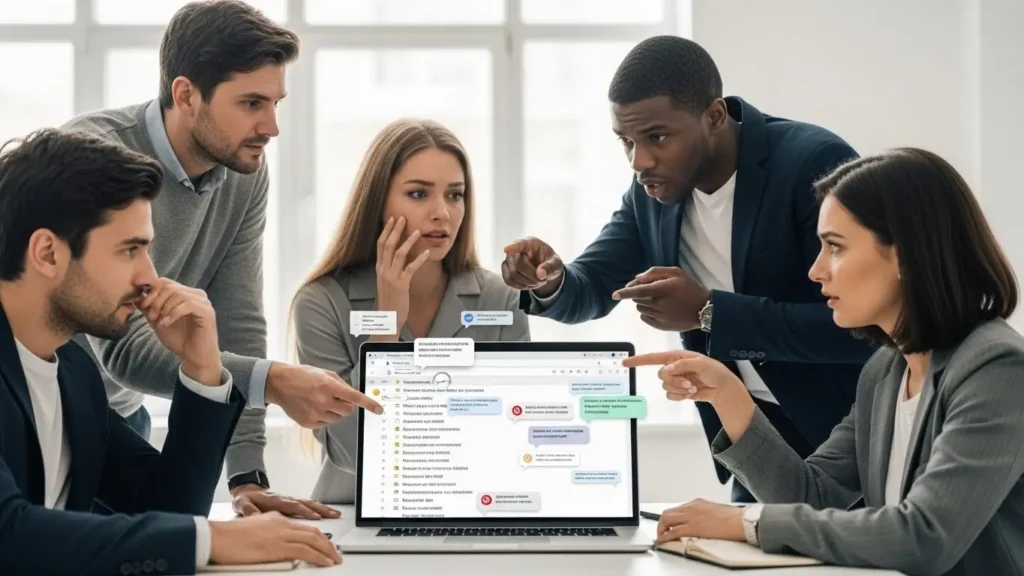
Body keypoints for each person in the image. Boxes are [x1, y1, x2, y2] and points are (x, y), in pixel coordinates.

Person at [501, 35, 875, 502]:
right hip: (752, 438)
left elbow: (864, 326)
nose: (640, 161)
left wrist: (710, 312)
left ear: (714, 116)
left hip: (848, 439)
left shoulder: (812, 162)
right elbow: (594, 285)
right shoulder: (653, 192)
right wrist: (552, 280)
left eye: (656, 137)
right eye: (627, 142)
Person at [626, 148, 1024, 575]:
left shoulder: (996, 369)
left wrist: (744, 520)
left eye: (834, 247)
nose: (815, 271)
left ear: (906, 255)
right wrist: (728, 394)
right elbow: (810, 494)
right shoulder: (886, 372)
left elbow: (925, 536)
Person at [62, 0, 381, 518]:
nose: (272, 126)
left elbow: (237, 318)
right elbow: (119, 348)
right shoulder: (96, 160)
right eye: (252, 102)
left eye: (276, 102)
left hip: (118, 418)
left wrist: (247, 474)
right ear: (186, 94)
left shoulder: (244, 174)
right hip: (38, 409)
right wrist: (273, 382)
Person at [0, 128, 343, 573]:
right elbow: (9, 534)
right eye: (131, 251)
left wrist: (203, 367)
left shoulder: (73, 374)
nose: (150, 276)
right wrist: (213, 538)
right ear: (47, 253)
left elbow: (167, 507)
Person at [291, 119, 530, 503]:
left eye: (455, 195)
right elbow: (354, 449)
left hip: (471, 510)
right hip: (352, 517)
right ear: (378, 203)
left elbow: (510, 437)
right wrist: (386, 326)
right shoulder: (321, 303)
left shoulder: (500, 299)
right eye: (419, 194)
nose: (442, 213)